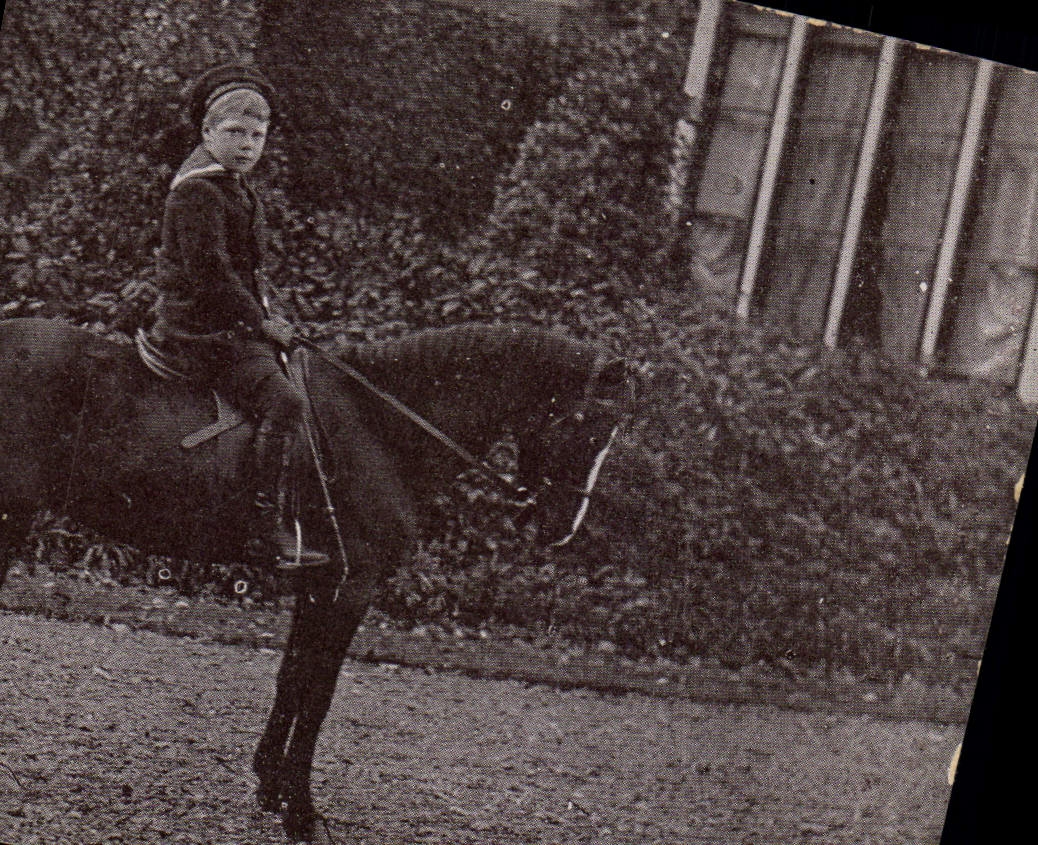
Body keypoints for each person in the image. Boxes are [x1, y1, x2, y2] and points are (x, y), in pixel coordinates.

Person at [151, 64, 329, 570]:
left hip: (226, 325)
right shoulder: (198, 191)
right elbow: (211, 274)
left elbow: (246, 273)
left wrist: (268, 316)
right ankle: (257, 529)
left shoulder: (233, 186)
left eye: (257, 135)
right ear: (208, 133)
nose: (247, 144)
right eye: (234, 132)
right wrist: (261, 324)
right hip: (199, 330)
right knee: (284, 402)